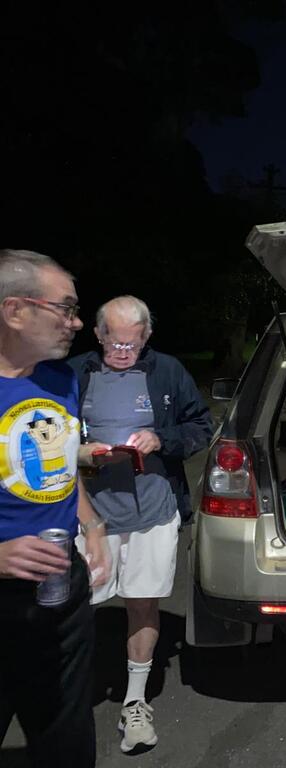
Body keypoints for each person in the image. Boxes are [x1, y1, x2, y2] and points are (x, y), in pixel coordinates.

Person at [68, 295, 212, 754]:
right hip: (90, 512)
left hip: (152, 509)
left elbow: (200, 427)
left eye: (132, 344)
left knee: (143, 602)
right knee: (76, 607)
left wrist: (161, 438)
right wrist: (79, 452)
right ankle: (71, 695)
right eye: (114, 342)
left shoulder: (167, 371)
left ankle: (135, 701)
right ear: (98, 334)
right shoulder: (72, 374)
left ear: (146, 337)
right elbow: (47, 439)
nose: (122, 352)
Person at [0, 249, 110, 768]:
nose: (77, 322)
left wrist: (92, 524)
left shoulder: (61, 378)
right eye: (65, 308)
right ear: (15, 311)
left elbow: (61, 468)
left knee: (66, 738)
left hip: (61, 589)